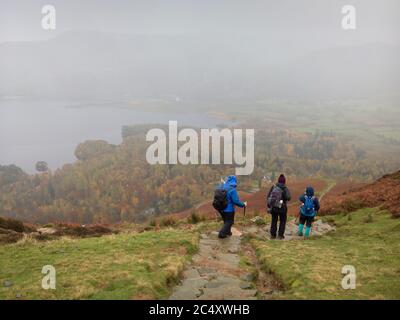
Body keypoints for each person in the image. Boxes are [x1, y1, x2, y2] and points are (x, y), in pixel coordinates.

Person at [267, 174, 291, 239]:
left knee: (274, 220)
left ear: (278, 180)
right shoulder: (285, 188)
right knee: (283, 221)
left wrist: (269, 205)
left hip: (274, 207)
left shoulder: (273, 187)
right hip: (282, 208)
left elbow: (268, 196)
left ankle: (273, 235)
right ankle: (280, 235)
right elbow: (288, 197)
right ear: (284, 181)